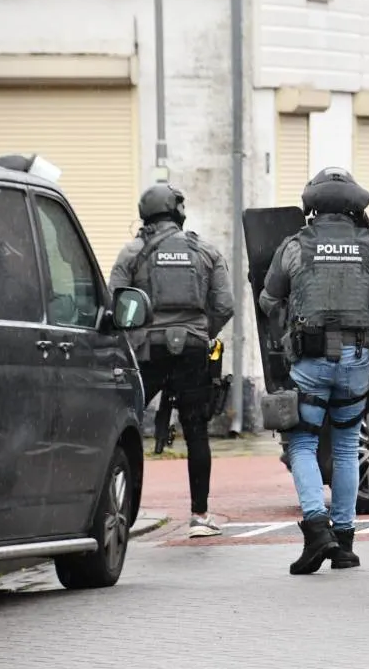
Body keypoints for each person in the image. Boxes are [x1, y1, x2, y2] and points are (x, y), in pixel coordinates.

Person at [259, 167, 369, 575]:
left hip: (310, 362)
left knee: (302, 443)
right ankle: (344, 542)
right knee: (347, 446)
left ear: (311, 206)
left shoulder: (294, 246)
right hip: (357, 361)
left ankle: (316, 530)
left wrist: (287, 316)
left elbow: (267, 299)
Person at [109, 183, 234, 538]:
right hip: (193, 350)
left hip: (147, 351)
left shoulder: (132, 252)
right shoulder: (205, 250)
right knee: (196, 430)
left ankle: (118, 508)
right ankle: (200, 516)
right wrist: (200, 331)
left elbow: (115, 301)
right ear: (177, 212)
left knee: (122, 427)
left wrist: (137, 337)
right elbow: (225, 305)